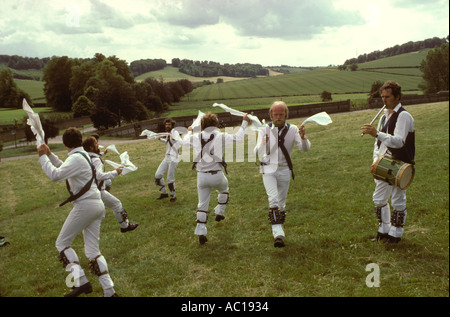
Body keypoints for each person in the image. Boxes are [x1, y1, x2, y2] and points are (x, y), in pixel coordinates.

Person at [37, 127, 118, 297]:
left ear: (65, 143)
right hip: (96, 205)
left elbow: (55, 175)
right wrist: (50, 155)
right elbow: (64, 168)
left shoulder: (76, 158)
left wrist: (43, 157)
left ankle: (81, 282)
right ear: (80, 141)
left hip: (85, 206)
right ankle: (110, 292)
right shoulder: (83, 156)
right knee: (93, 252)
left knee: (62, 243)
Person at [182, 112, 250, 244]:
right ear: (216, 124)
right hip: (217, 175)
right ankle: (220, 211)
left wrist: (189, 131)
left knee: (202, 204)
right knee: (224, 190)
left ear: (202, 125)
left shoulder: (196, 137)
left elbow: (184, 143)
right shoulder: (221, 136)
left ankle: (201, 231)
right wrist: (245, 121)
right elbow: (239, 137)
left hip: (201, 177)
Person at [361, 80, 415, 244]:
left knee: (398, 199)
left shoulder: (404, 116)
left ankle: (396, 234)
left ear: (397, 96)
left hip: (400, 163)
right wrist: (375, 162)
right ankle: (384, 229)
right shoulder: (384, 116)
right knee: (379, 199)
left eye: (388, 97)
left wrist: (377, 133)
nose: (384, 100)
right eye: (382, 97)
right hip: (384, 164)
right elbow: (378, 145)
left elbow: (399, 141)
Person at [255, 101, 310, 248]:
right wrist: (262, 142)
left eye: (281, 114)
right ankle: (278, 234)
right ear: (271, 115)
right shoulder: (264, 129)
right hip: (268, 169)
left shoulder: (293, 129)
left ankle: (279, 229)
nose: (278, 117)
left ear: (285, 114)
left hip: (285, 170)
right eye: (275, 114)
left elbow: (305, 149)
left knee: (281, 203)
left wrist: (304, 138)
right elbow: (256, 152)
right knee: (273, 200)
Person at [82, 136, 139, 233]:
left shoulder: (86, 157)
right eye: (96, 143)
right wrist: (115, 172)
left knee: (91, 213)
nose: (98, 144)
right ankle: (124, 226)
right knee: (117, 204)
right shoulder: (96, 159)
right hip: (97, 191)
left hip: (88, 190)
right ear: (91, 147)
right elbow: (99, 176)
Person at [155, 118, 181, 202]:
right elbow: (168, 142)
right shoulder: (168, 133)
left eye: (169, 124)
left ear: (172, 125)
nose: (167, 126)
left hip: (173, 158)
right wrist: (160, 139)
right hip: (167, 157)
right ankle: (164, 193)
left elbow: (179, 142)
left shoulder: (175, 132)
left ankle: (173, 196)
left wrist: (173, 137)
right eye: (166, 125)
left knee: (170, 179)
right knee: (157, 175)